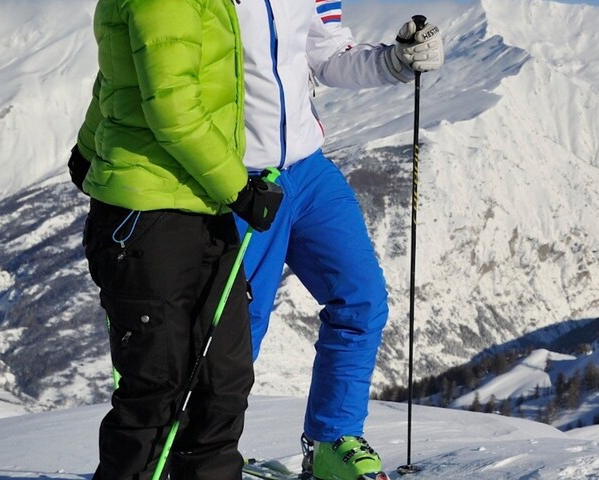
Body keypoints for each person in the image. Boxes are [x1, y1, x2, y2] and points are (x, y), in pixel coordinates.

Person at [224, 2, 442, 479]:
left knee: (361, 298)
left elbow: (326, 55)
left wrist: (395, 61)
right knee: (237, 324)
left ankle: (331, 441)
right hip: (236, 178)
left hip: (305, 169)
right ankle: (208, 449)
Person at [69, 0, 284, 478]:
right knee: (157, 388)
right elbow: (171, 106)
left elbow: (117, 80)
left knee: (222, 380)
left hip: (201, 208)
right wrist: (239, 189)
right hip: (150, 218)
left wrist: (86, 148)